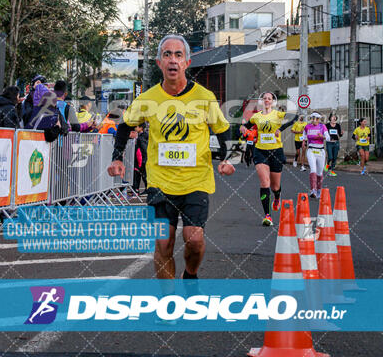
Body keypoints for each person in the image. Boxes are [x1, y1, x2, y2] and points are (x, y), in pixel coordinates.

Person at [107, 34, 234, 280]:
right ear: (158, 62)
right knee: (163, 243)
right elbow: (124, 125)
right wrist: (117, 157)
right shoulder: (148, 99)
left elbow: (223, 128)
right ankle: (169, 305)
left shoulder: (204, 98)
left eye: (178, 55)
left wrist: (228, 158)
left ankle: (190, 274)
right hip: (160, 183)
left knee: (194, 239)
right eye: (167, 54)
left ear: (187, 62)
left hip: (196, 180)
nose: (173, 60)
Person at [249, 92, 296, 226]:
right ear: (261, 101)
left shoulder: (277, 114)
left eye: (269, 98)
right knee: (265, 183)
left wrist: (280, 129)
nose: (267, 100)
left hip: (276, 152)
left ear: (273, 102)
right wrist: (242, 128)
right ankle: (267, 216)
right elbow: (246, 126)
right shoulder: (256, 116)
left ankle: (277, 197)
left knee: (275, 186)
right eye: (264, 98)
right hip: (260, 152)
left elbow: (295, 117)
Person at [302, 112, 330, 199]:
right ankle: (312, 190)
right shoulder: (307, 127)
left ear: (319, 119)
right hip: (311, 150)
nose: (314, 120)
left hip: (321, 151)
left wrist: (322, 136)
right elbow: (304, 137)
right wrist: (304, 143)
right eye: (313, 118)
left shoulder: (322, 127)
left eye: (316, 118)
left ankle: (318, 190)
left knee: (319, 173)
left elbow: (328, 138)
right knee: (313, 169)